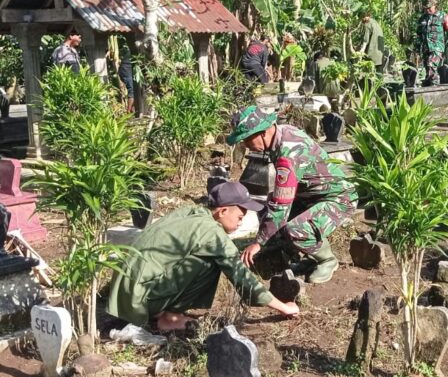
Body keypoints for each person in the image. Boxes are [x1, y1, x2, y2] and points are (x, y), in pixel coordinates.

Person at [107, 182, 300, 332]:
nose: (241, 223)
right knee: (210, 261)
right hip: (139, 300)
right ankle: (170, 318)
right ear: (223, 211)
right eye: (240, 217)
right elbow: (243, 278)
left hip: (124, 294)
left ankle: (159, 311)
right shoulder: (211, 233)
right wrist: (283, 307)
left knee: (201, 255)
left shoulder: (188, 212)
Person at [227, 106, 358, 283]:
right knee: (270, 210)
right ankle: (303, 255)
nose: (246, 145)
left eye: (247, 139)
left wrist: (258, 243)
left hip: (339, 199)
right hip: (311, 197)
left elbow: (281, 205)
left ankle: (327, 260)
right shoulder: (281, 133)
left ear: (263, 132)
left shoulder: (288, 154)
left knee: (295, 229)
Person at [416, 0, 448, 86]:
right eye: (426, 8)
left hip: (437, 47)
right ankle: (429, 84)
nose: (427, 10)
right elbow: (419, 34)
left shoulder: (442, 16)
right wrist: (417, 47)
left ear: (434, 5)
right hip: (426, 48)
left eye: (429, 8)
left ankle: (434, 83)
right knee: (427, 67)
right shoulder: (422, 18)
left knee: (431, 64)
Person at [118, 43, 135, 113]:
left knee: (134, 90)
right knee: (132, 90)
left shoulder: (131, 51)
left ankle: (132, 110)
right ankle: (128, 110)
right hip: (126, 71)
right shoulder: (135, 51)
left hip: (124, 70)